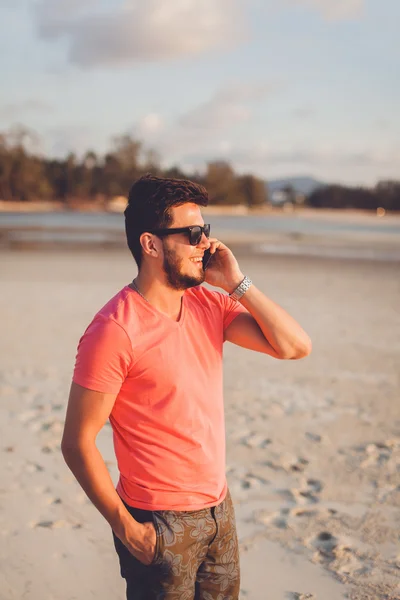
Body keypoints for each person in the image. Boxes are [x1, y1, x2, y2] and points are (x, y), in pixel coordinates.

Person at [61, 174, 312, 599]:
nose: (206, 245)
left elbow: (295, 346)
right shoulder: (115, 330)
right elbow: (77, 442)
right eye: (193, 234)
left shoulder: (208, 303)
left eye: (206, 232)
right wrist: (129, 531)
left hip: (219, 511)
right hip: (158, 523)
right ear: (151, 244)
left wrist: (237, 282)